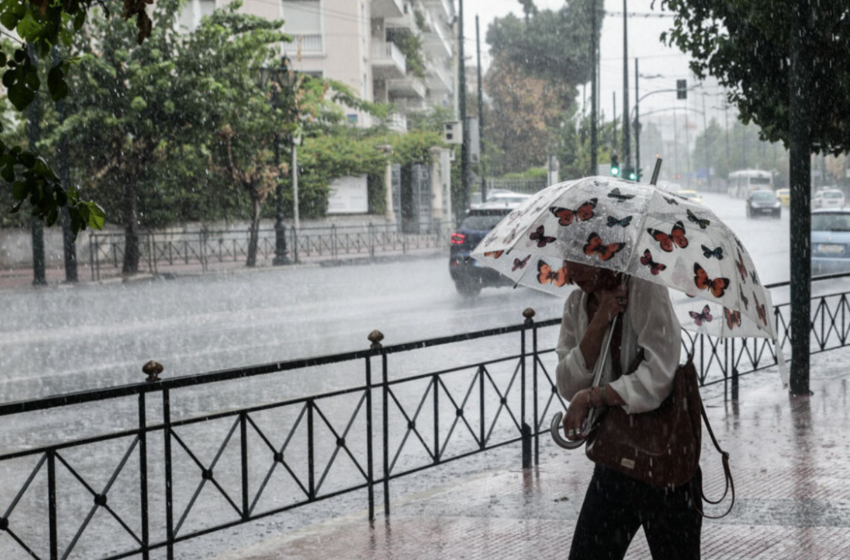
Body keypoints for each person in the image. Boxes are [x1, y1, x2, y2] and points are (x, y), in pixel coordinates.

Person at [555, 261, 702, 560]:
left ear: (602, 253)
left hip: (665, 459)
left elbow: (659, 374)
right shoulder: (575, 305)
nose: (571, 270)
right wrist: (600, 321)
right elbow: (568, 383)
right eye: (567, 259)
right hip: (615, 458)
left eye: (579, 258)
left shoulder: (644, 288)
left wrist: (594, 396)